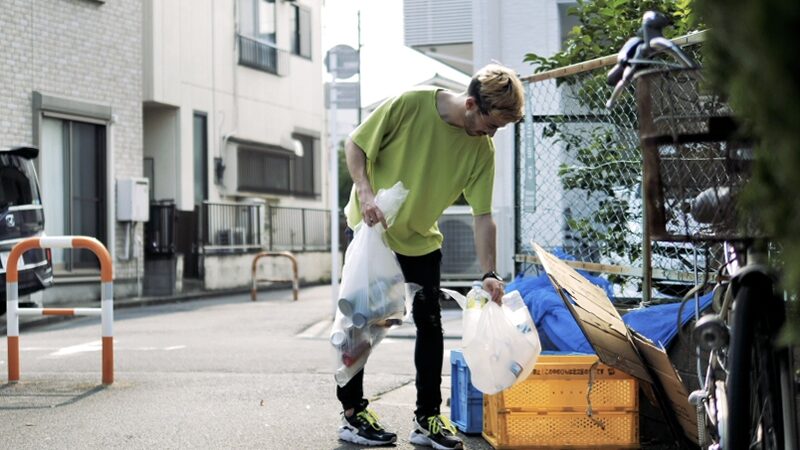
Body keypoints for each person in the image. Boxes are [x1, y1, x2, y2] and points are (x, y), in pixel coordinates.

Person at [337, 63, 525, 449]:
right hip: (372, 233)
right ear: (472, 104)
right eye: (492, 124)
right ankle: (353, 415)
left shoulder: (481, 150)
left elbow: (483, 216)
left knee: (431, 325)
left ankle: (427, 419)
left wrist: (489, 271)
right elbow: (355, 143)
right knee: (363, 326)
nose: (493, 134)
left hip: (420, 240)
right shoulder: (411, 104)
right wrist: (366, 193)